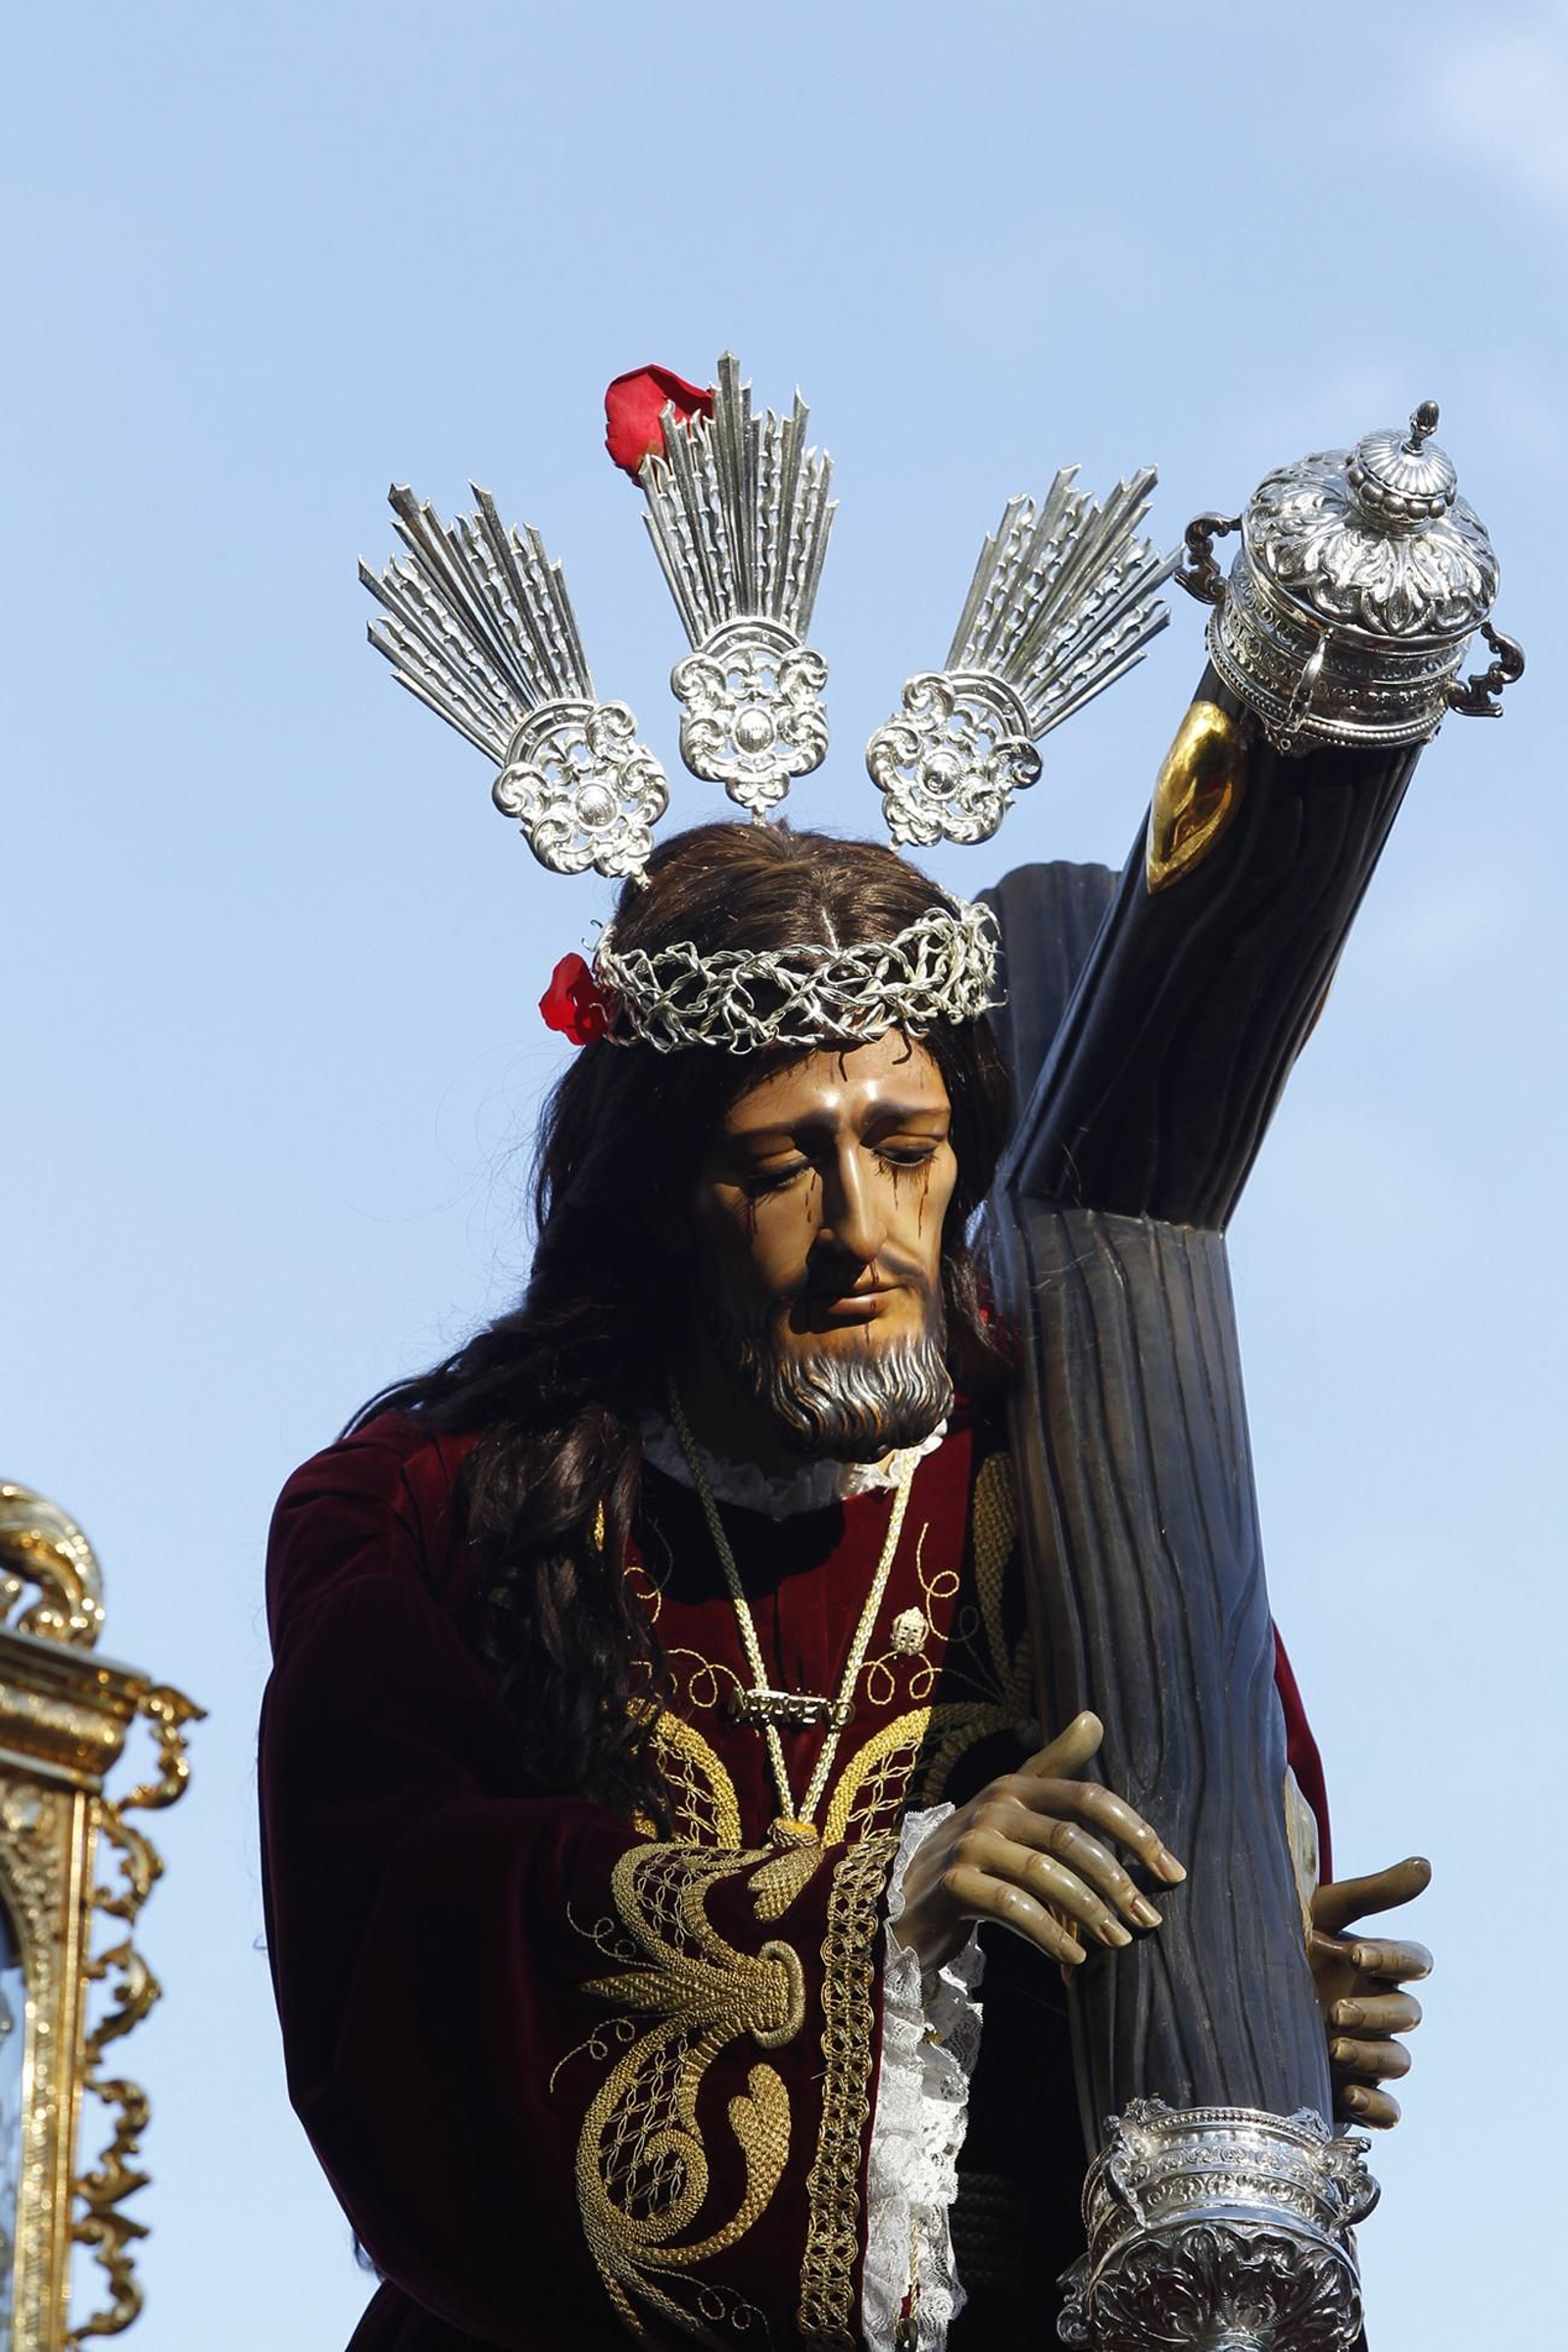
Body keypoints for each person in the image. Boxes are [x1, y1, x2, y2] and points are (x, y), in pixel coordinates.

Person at [259, 821, 1430, 2352]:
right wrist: (873, 1911)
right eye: (779, 1165)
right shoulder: (431, 1515)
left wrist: (1263, 2026)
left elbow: (1196, 1918)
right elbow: (394, 1949)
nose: (861, 1234)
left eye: (903, 1148)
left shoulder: (1091, 1496)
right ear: (664, 1191)